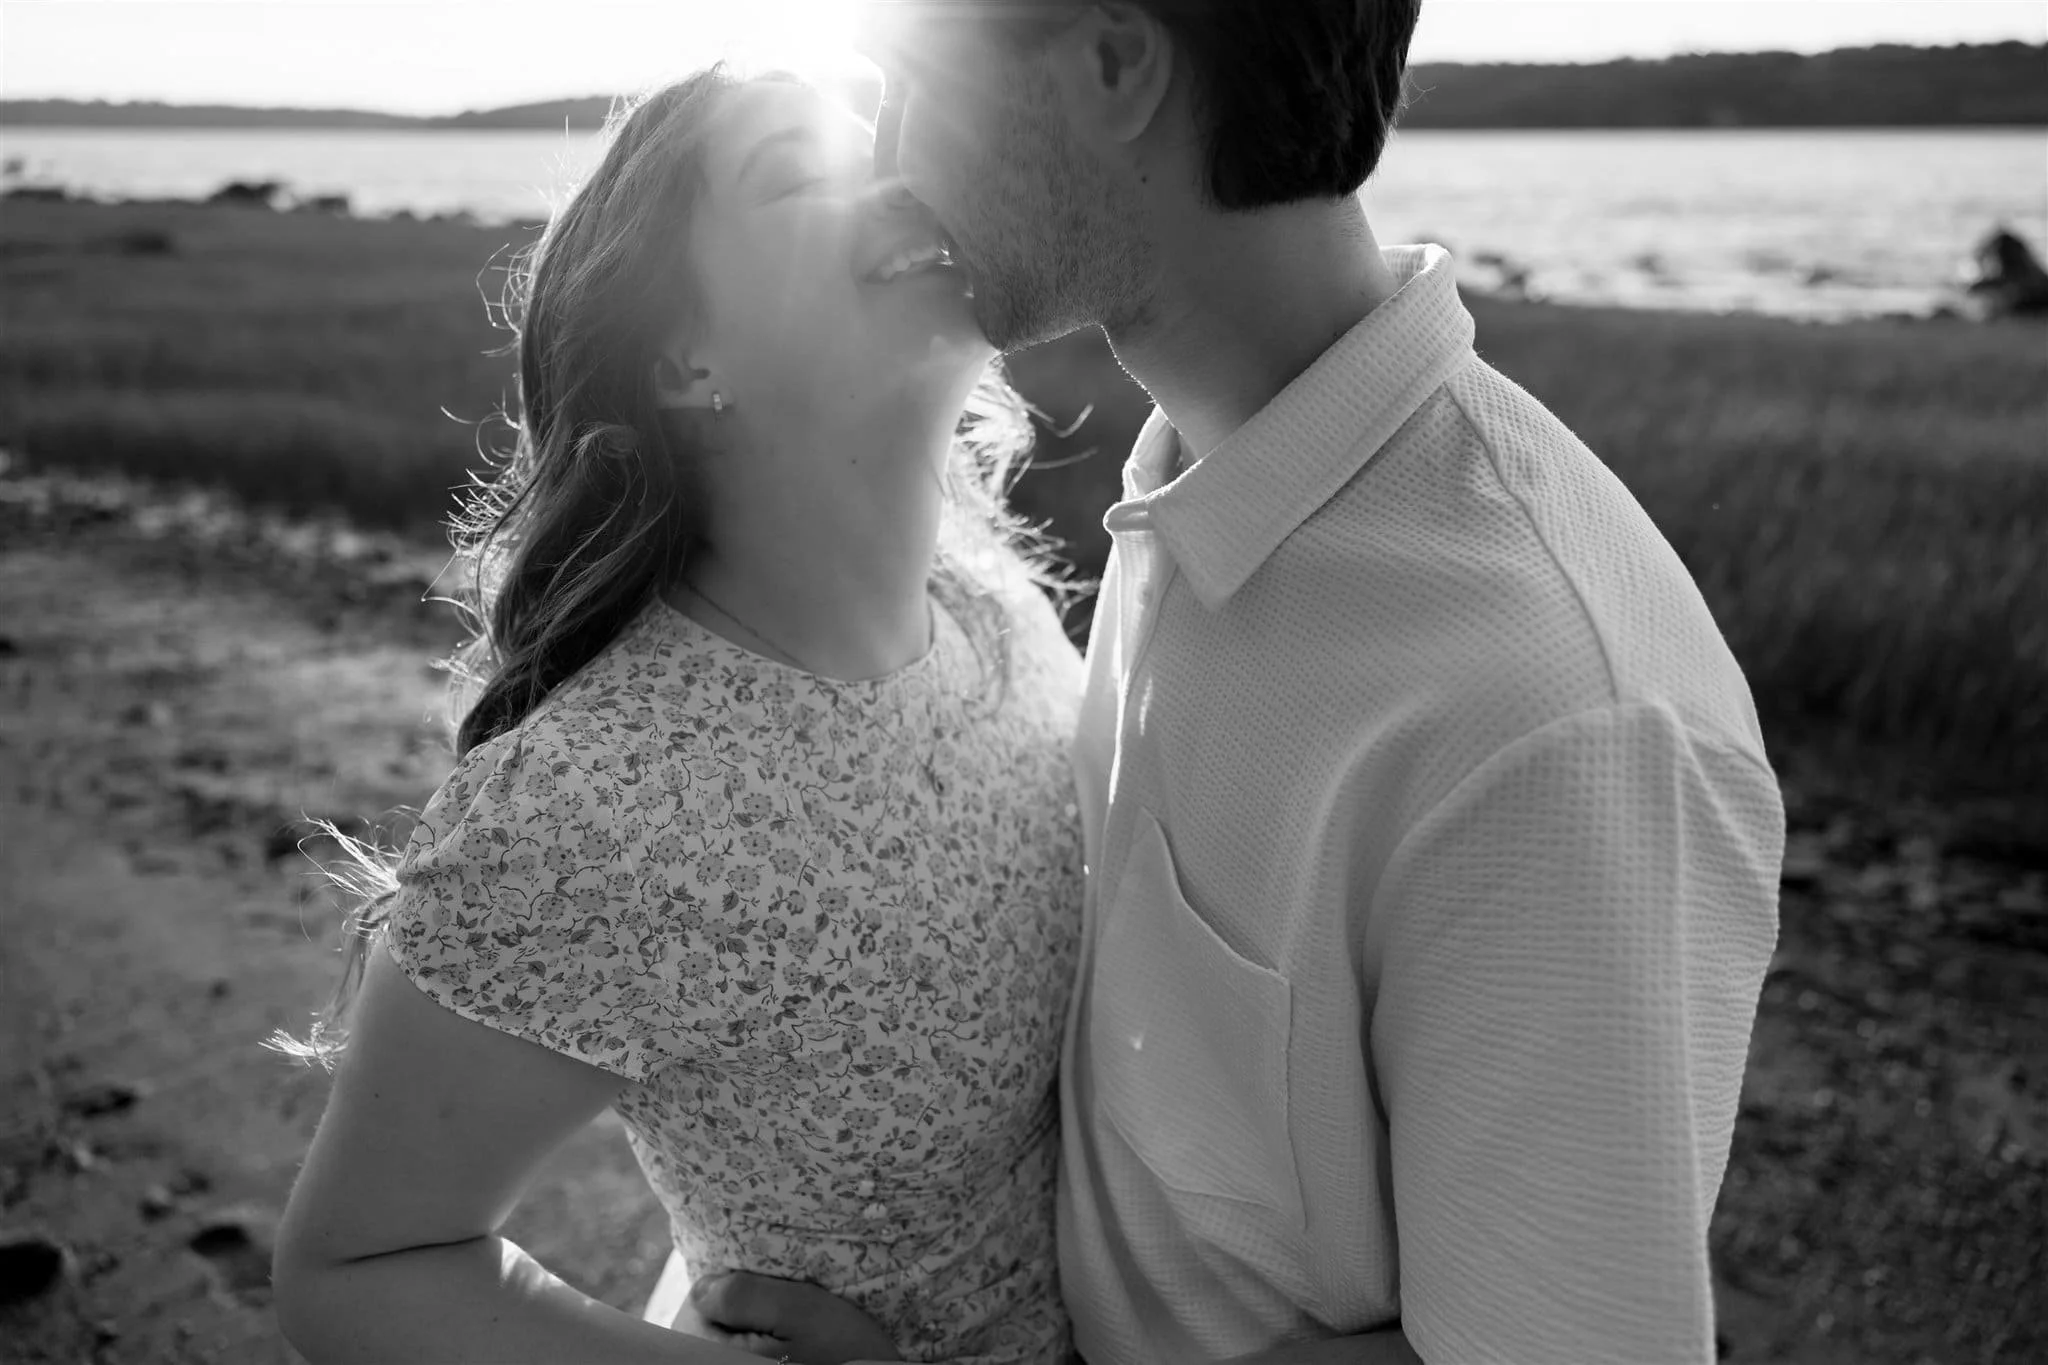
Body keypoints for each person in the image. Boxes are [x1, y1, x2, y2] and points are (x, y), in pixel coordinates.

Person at [712, 2, 1786, 1362]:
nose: (886, 156)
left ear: (1113, 63)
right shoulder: (1210, 480)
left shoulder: (1552, 716)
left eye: (908, 88)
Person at [270, 65, 1087, 1365]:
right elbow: (354, 1272)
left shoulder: (992, 597)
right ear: (687, 358)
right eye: (793, 172)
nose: (897, 182)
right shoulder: (598, 804)